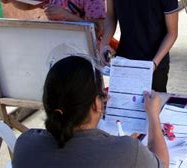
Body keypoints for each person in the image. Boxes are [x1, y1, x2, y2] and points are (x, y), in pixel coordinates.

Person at [12, 56, 169, 167]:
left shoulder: (24, 144)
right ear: (96, 103)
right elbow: (162, 164)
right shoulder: (127, 151)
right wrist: (153, 116)